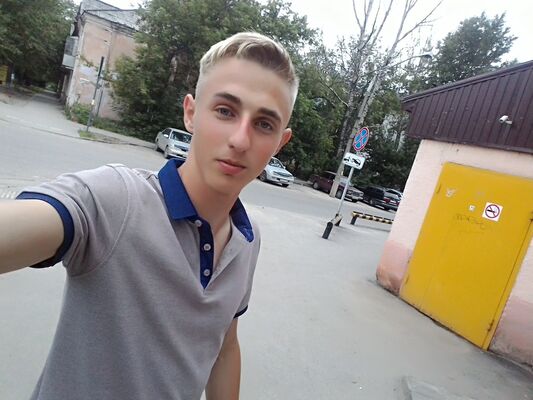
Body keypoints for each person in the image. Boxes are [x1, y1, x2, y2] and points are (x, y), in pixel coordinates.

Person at [0, 31, 297, 399]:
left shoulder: (247, 240)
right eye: (225, 111)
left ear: (280, 143)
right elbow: (49, 216)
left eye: (264, 124)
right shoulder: (119, 199)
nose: (240, 139)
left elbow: (224, 345)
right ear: (191, 113)